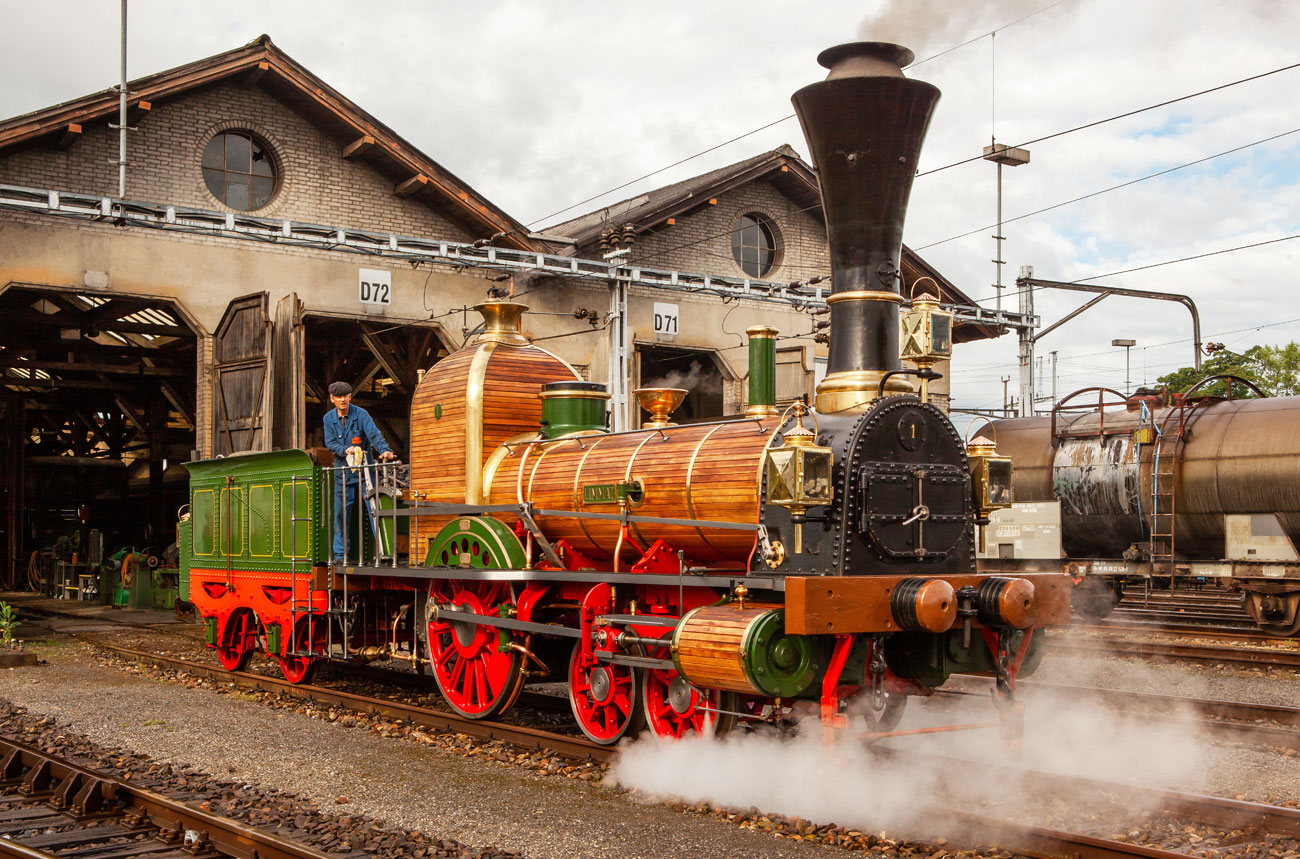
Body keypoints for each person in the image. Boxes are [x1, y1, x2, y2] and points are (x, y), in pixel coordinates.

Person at [323, 381, 396, 563]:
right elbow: (330, 443)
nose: (343, 400)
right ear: (332, 399)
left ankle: (383, 552)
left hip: (365, 472)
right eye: (339, 397)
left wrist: (384, 450)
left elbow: (374, 434)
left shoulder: (361, 414)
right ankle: (341, 555)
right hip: (343, 472)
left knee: (374, 510)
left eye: (346, 396)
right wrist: (344, 450)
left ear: (350, 397)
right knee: (341, 513)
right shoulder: (328, 419)